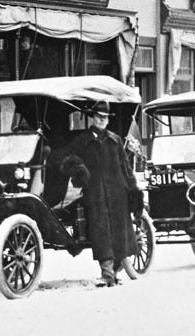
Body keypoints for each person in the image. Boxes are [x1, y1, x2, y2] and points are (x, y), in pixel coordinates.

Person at [56, 100, 142, 287]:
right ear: (92, 118)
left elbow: (125, 167)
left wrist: (133, 189)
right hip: (95, 195)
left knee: (119, 232)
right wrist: (77, 168)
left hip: (118, 193)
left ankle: (115, 271)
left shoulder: (116, 140)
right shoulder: (82, 140)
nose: (102, 120)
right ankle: (107, 273)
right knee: (101, 231)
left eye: (105, 118)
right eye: (98, 117)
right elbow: (65, 157)